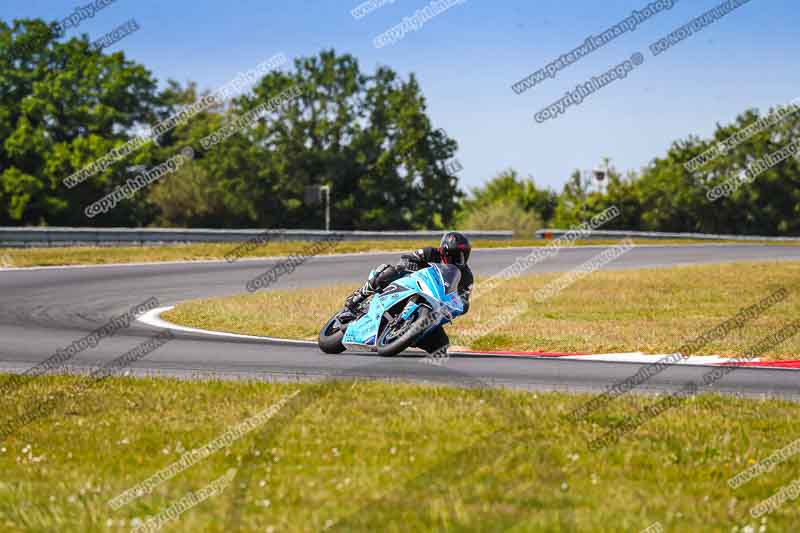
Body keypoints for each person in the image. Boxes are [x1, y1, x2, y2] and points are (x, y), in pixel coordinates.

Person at [343, 231, 474, 353]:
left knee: (441, 346)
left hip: (433, 305)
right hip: (410, 284)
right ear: (443, 251)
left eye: (463, 254)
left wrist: (460, 305)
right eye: (455, 254)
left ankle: (408, 335)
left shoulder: (467, 276)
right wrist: (409, 263)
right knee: (392, 270)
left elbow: (464, 300)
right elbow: (407, 257)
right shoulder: (430, 253)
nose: (459, 259)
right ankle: (359, 296)